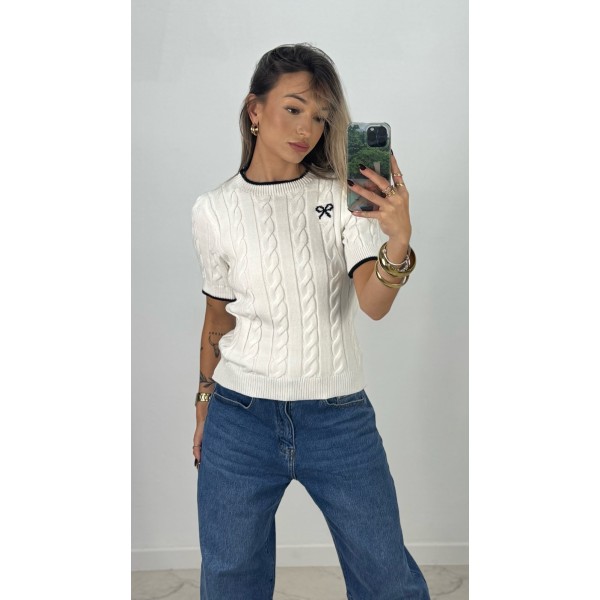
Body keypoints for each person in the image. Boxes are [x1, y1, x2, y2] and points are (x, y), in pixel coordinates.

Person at [191, 43, 430, 600]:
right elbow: (216, 318)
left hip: (338, 418)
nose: (307, 128)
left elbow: (373, 302)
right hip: (238, 418)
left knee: (388, 580)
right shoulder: (213, 209)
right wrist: (203, 405)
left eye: (320, 117)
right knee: (229, 583)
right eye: (294, 108)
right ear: (255, 109)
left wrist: (398, 239)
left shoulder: (343, 195)